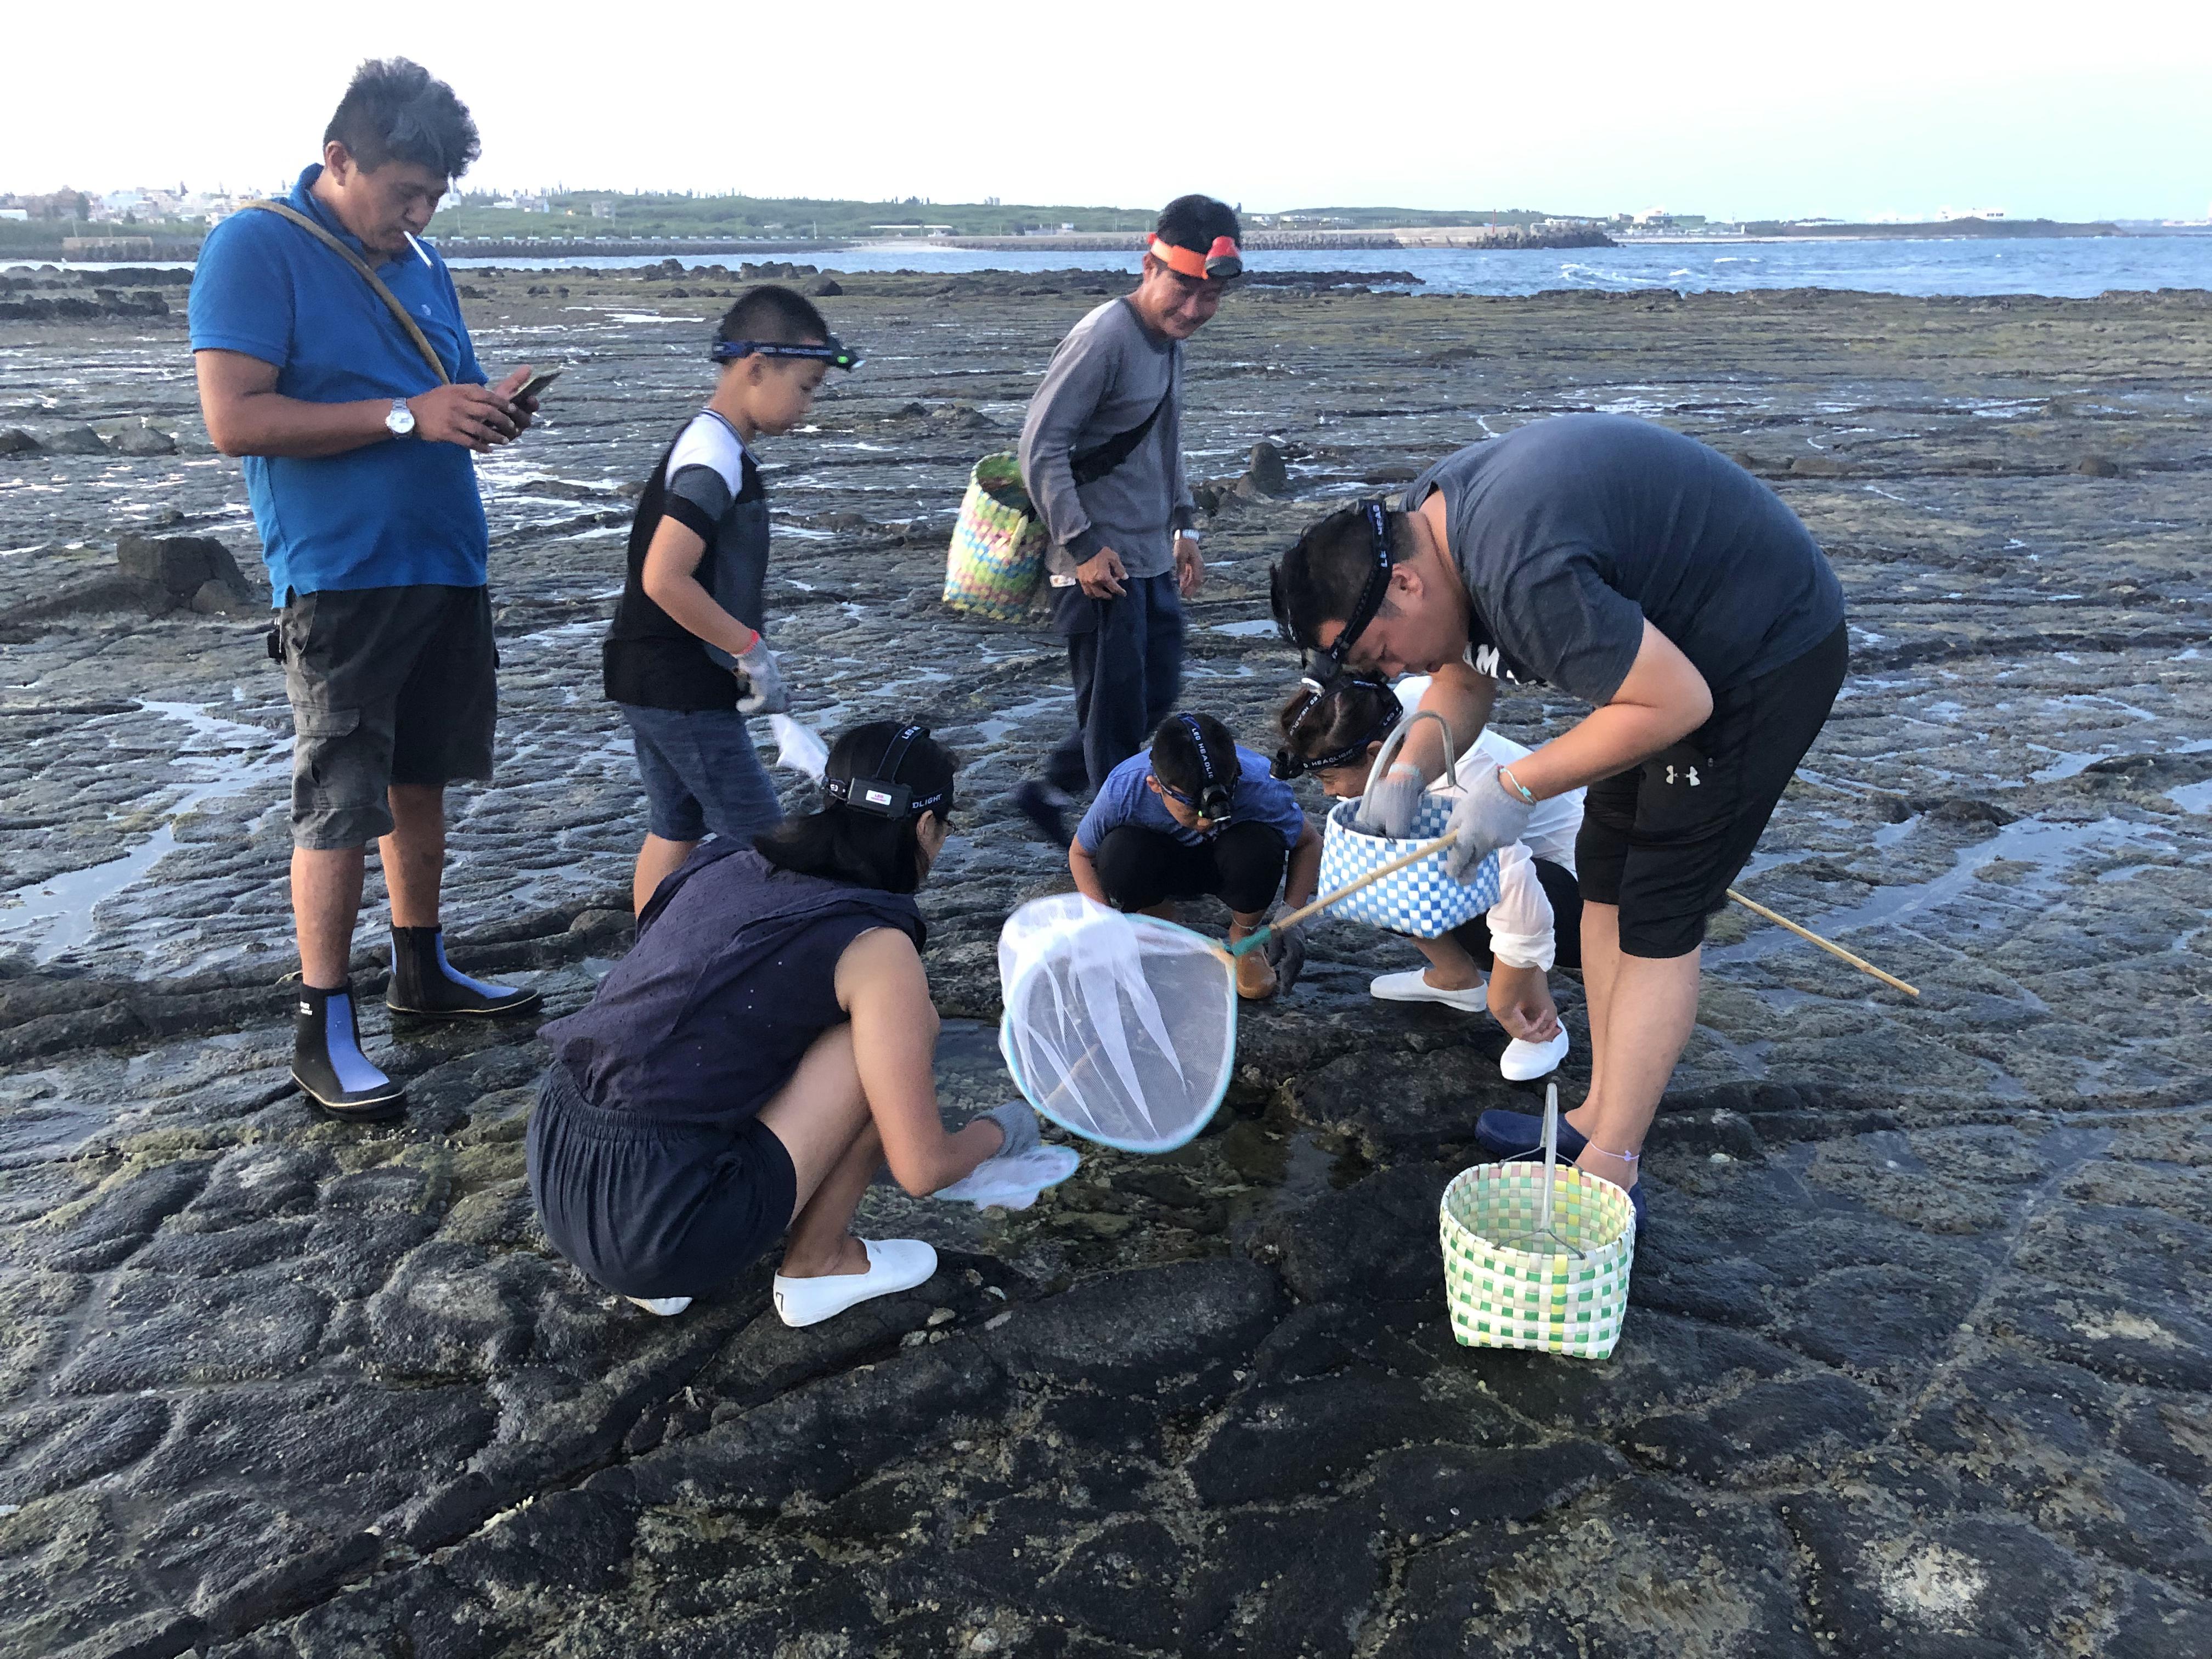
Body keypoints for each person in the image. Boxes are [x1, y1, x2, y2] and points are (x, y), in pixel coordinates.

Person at [1271, 418, 1848, 1223]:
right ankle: (1591, 1120)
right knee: (1606, 874)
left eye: (1378, 655)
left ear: (1403, 585)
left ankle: (1614, 1163)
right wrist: (1405, 775)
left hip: (1755, 660)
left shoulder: (1520, 570)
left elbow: (1681, 703)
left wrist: (1514, 786)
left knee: (1658, 912)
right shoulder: (1421, 527)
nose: (1393, 674)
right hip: (1653, 667)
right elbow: (1462, 680)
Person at [190, 58, 546, 1124]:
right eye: (404, 190)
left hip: (443, 558)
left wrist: (483, 410)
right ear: (338, 158)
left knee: (420, 780)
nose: (420, 213)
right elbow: (234, 419)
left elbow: (435, 396)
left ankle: (422, 972)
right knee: (340, 798)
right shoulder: (257, 245)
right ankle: (323, 1022)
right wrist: (410, 416)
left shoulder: (421, 257)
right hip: (341, 574)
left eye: (435, 194)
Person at [529, 723, 1052, 1323]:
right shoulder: (876, 946)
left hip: (560, 1166)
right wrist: (1004, 1129)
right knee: (893, 1032)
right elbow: (922, 1170)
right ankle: (819, 1262)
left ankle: (659, 1266)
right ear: (926, 828)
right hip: (655, 1225)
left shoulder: (725, 858)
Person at [602, 286, 857, 917]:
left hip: (648, 675)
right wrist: (747, 649)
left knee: (674, 828)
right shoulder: (713, 458)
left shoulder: (712, 442)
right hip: (679, 683)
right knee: (764, 841)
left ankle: (649, 962)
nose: (808, 404)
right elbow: (666, 577)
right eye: (807, 386)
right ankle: (756, 982)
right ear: (755, 368)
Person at [1011, 195, 1244, 847]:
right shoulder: (1104, 337)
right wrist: (1083, 546)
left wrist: (1186, 525)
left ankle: (1051, 790)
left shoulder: (1168, 346)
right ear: (1150, 264)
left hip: (1149, 553)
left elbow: (1164, 439)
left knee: (1156, 690)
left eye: (1210, 297)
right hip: (1095, 566)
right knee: (1112, 717)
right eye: (1182, 288)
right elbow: (1041, 445)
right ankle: (1114, 851)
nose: (1194, 309)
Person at [1274, 662, 1584, 1080]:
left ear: (1373, 753)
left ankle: (1539, 1021)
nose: (1328, 793)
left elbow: (1519, 895)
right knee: (1379, 863)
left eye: (1330, 778)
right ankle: (1456, 980)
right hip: (1516, 868)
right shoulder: (1393, 712)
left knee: (1434, 874)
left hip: (1574, 893)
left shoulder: (1461, 780)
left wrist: (1505, 998)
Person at [1069, 712, 1321, 1001]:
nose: (1205, 823)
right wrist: (1108, 928)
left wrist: (1289, 920)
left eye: (1215, 811)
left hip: (1231, 862)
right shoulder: (1127, 787)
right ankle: (1159, 923)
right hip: (1160, 863)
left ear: (1236, 774)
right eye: (1193, 813)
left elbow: (1309, 842)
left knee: (1260, 846)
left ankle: (1244, 935)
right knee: (1119, 853)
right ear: (1155, 786)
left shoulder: (1260, 784)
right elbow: (1080, 853)